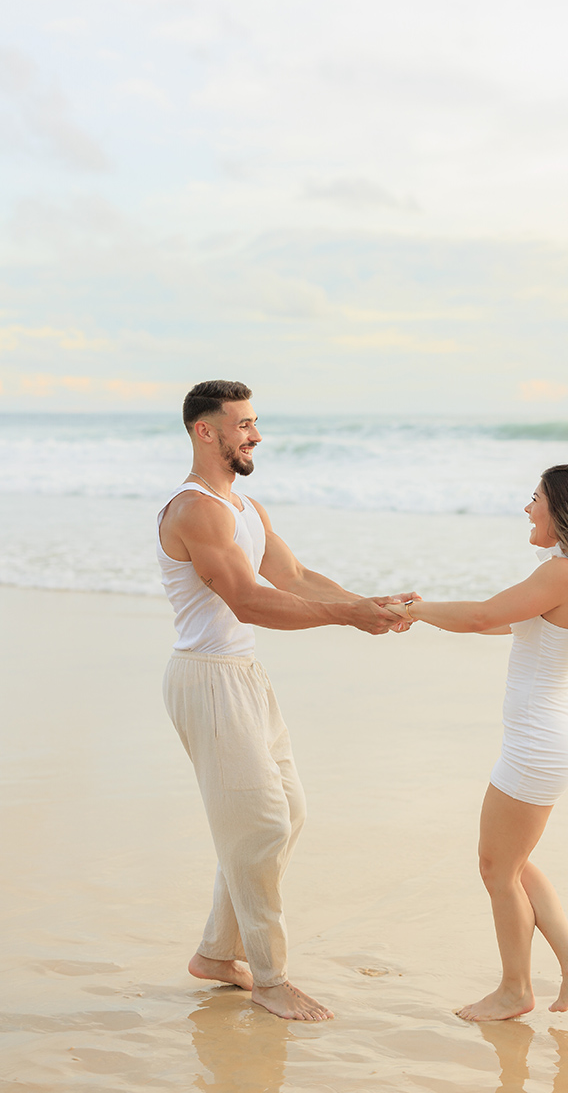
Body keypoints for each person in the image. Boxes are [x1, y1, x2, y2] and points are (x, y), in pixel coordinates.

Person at [158, 380, 416, 1022]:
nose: (256, 435)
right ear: (205, 431)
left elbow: (294, 579)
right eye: (243, 424)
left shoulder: (245, 508)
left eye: (255, 422)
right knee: (260, 825)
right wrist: (345, 617)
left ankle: (218, 953)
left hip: (244, 674)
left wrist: (368, 604)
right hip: (207, 677)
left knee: (286, 813)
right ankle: (270, 977)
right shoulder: (195, 511)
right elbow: (247, 600)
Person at [385, 464, 568, 1022]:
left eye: (534, 498)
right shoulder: (564, 574)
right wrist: (425, 614)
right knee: (511, 862)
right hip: (544, 739)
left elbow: (482, 614)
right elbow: (497, 624)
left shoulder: (562, 572)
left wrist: (413, 609)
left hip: (540, 744)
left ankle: (515, 990)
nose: (527, 508)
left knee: (497, 869)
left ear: (561, 509)